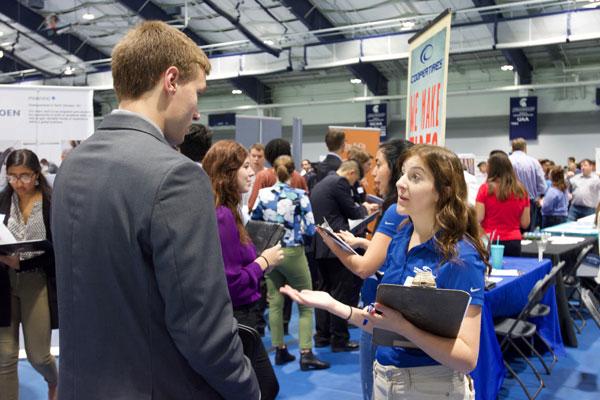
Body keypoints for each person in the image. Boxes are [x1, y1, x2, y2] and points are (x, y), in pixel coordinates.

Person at [51, 21, 259, 399]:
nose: (197, 112)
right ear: (171, 81)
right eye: (198, 92)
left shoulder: (73, 166)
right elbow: (202, 327)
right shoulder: (176, 175)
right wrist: (247, 387)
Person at [282, 144, 488, 400]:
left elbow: (467, 359)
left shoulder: (461, 257)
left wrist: (403, 327)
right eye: (403, 174)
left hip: (432, 387)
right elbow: (382, 321)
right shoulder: (401, 238)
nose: (401, 183)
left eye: (415, 177)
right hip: (384, 377)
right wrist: (334, 306)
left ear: (442, 191)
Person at [316, 139, 413, 400]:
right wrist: (360, 241)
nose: (374, 172)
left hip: (379, 313)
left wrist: (330, 241)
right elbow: (394, 252)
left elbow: (363, 267)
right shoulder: (407, 211)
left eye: (379, 164)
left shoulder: (395, 211)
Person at [203, 140, 282, 400]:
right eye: (245, 166)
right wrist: (264, 262)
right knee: (264, 387)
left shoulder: (224, 211)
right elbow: (231, 282)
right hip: (238, 318)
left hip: (237, 317)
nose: (252, 172)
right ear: (227, 172)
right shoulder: (223, 215)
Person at [251, 155, 330, 371]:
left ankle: (280, 350)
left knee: (275, 303)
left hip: (271, 253)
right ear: (293, 172)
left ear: (274, 171)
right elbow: (311, 228)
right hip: (294, 252)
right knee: (305, 302)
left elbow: (253, 221)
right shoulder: (300, 195)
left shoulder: (263, 194)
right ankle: (306, 353)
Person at [0, 149, 58, 400]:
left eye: (24, 176)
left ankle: (53, 380)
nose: (17, 183)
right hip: (4, 283)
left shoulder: (50, 204)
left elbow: (58, 251)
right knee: (4, 356)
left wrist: (21, 264)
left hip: (37, 282)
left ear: (36, 175)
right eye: (12, 176)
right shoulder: (2, 201)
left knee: (38, 355)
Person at [310, 160, 378, 352]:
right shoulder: (339, 182)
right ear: (350, 173)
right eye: (354, 180)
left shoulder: (320, 183)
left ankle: (322, 336)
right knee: (342, 293)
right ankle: (339, 340)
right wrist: (366, 207)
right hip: (337, 245)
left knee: (324, 291)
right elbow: (353, 211)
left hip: (321, 245)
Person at [476, 153, 530, 256]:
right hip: (514, 240)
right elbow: (525, 223)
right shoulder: (521, 191)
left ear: (491, 169)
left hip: (490, 239)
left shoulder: (485, 189)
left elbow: (478, 217)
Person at [247, 138, 307, 210]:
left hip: (267, 219)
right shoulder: (299, 177)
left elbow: (252, 206)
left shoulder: (263, 176)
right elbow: (305, 203)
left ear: (268, 156)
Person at [508, 138, 546, 230]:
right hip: (529, 203)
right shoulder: (534, 162)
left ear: (512, 148)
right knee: (528, 233)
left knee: (512, 229)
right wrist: (538, 196)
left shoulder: (507, 161)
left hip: (509, 201)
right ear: (525, 148)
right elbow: (542, 186)